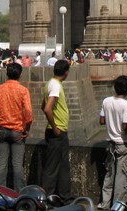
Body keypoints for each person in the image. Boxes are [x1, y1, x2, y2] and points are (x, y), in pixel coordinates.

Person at [0, 62, 34, 191]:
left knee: (1, 164)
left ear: (7, 74)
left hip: (2, 130)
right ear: (20, 74)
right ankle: (19, 192)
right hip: (17, 131)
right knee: (17, 165)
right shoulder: (23, 90)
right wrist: (26, 129)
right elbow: (28, 112)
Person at [98, 75, 127, 209]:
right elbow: (125, 126)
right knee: (121, 176)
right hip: (122, 144)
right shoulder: (125, 104)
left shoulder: (107, 101)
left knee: (109, 174)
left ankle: (104, 203)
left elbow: (101, 121)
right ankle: (117, 205)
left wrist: (111, 121)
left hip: (110, 143)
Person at [41, 59, 72, 201]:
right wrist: (55, 127)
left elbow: (43, 106)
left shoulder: (50, 83)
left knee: (63, 164)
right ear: (66, 73)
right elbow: (47, 109)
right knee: (52, 167)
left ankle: (63, 195)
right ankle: (47, 197)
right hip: (57, 131)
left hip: (59, 130)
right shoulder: (55, 86)